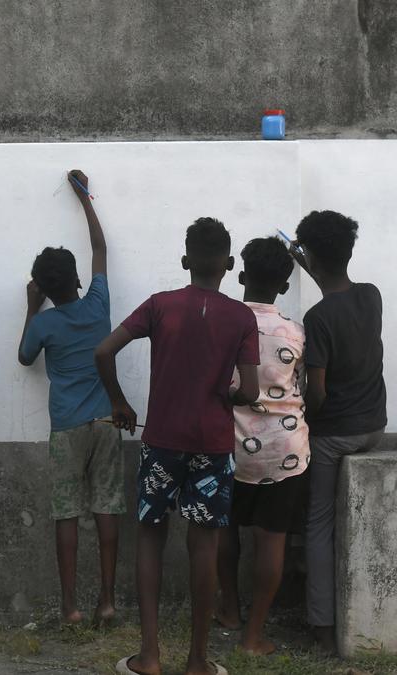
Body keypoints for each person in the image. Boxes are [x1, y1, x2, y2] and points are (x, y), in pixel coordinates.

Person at [94, 218, 260, 675]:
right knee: (203, 547)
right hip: (212, 446)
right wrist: (228, 394)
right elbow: (249, 390)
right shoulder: (241, 317)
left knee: (150, 538)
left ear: (185, 261)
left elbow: (103, 351)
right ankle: (198, 661)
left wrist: (119, 401)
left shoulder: (159, 306)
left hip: (161, 442)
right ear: (229, 264)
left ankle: (149, 656)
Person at [18, 170, 121, 626]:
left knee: (66, 514)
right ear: (78, 278)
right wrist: (84, 198)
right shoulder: (98, 304)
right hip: (106, 423)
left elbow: (24, 358)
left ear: (43, 287)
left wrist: (29, 307)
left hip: (66, 427)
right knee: (107, 508)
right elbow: (100, 248)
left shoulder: (43, 323)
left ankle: (71, 606)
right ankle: (108, 601)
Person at [289, 210, 386, 654]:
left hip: (335, 434)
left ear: (311, 255)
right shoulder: (372, 296)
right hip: (374, 425)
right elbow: (335, 283)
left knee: (318, 523)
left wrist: (301, 414)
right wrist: (307, 259)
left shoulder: (317, 318)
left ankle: (324, 629)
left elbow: (320, 393)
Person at [214, 237, 309, 656]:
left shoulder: (222, 325)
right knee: (272, 541)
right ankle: (253, 637)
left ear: (240, 275)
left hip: (230, 446)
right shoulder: (296, 333)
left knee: (224, 530)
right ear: (284, 287)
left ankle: (229, 610)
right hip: (284, 451)